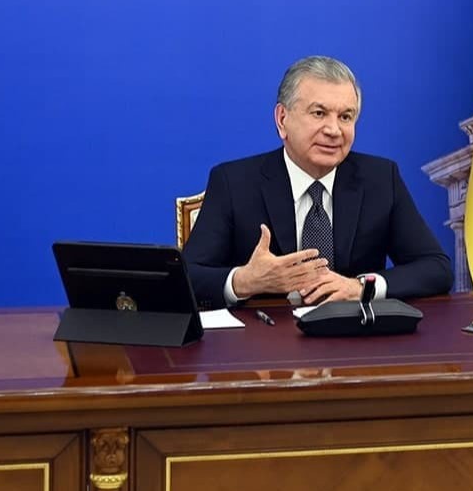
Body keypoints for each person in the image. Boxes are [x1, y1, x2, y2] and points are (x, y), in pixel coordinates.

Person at [183, 56, 453, 309]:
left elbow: (436, 268)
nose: (334, 130)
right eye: (319, 113)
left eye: (345, 117)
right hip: (265, 336)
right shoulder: (234, 182)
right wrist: (244, 281)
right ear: (282, 119)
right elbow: (188, 277)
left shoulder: (381, 179)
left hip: (353, 336)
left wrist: (361, 287)